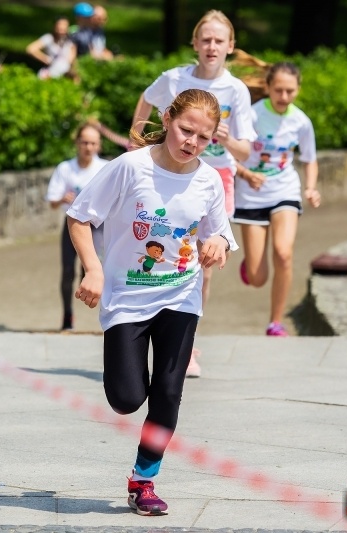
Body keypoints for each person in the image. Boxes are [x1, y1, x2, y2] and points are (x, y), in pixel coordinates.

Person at [67, 88, 237, 516]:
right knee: (126, 398)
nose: (191, 143)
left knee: (168, 392)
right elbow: (79, 216)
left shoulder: (208, 180)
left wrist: (217, 244)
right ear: (167, 119)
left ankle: (144, 481)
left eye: (203, 138)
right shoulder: (129, 168)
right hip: (127, 297)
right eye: (185, 131)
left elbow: (220, 233)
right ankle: (130, 397)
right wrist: (94, 268)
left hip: (181, 295)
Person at [130, 9, 255, 378]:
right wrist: (135, 144)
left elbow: (246, 150)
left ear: (230, 46)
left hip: (216, 180)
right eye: (206, 39)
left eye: (219, 40)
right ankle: (149, 329)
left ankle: (186, 345)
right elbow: (146, 100)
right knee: (163, 250)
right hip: (169, 175)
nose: (212, 46)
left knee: (203, 261)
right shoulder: (174, 79)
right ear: (195, 44)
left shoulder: (236, 90)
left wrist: (226, 138)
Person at [233, 62, 319, 338]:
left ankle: (275, 322)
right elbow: (229, 155)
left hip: (285, 190)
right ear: (268, 88)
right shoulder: (252, 115)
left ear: (298, 90)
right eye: (279, 90)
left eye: (290, 91)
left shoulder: (301, 121)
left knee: (283, 253)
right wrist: (246, 174)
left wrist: (310, 188)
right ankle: (251, 265)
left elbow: (310, 159)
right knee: (258, 279)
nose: (284, 97)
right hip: (251, 194)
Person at [45, 123, 107, 331]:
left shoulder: (105, 168)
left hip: (97, 226)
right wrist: (63, 198)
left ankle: (108, 318)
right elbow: (53, 201)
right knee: (67, 272)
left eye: (93, 143)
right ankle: (67, 317)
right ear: (77, 143)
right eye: (84, 142)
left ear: (99, 146)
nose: (88, 147)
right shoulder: (65, 168)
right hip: (72, 225)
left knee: (94, 269)